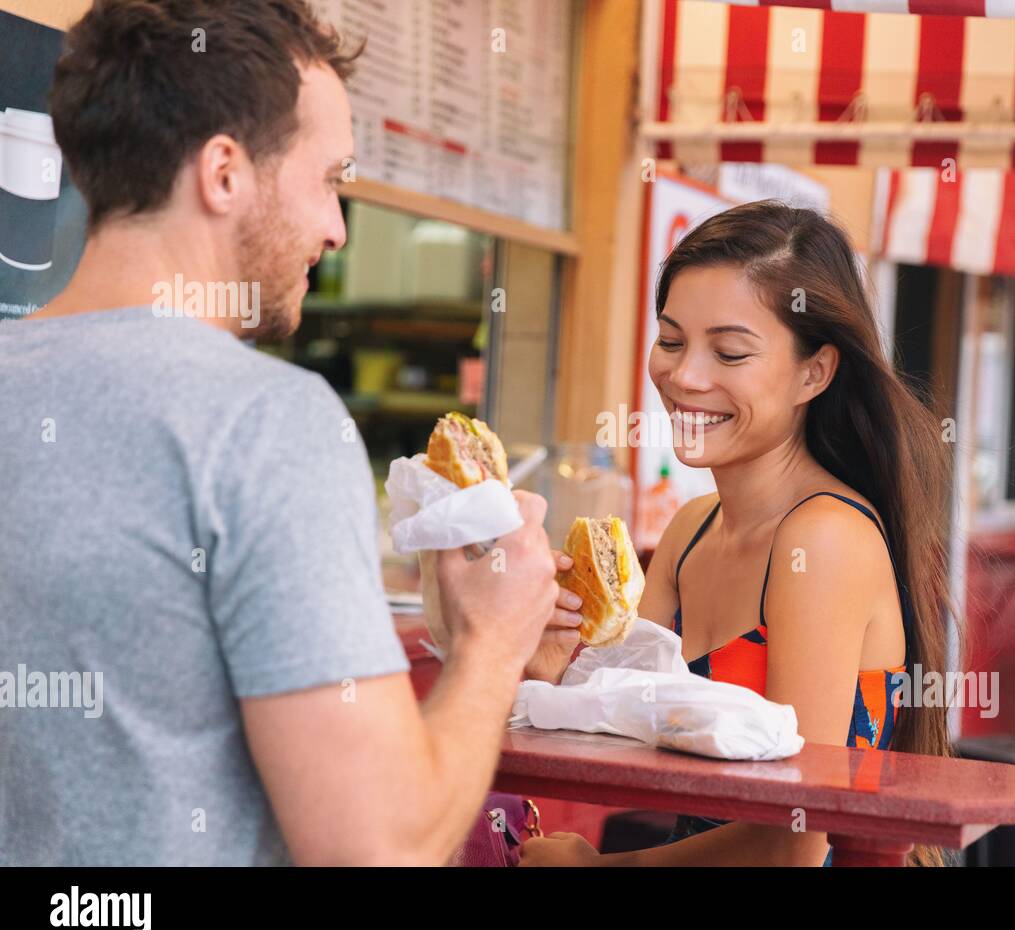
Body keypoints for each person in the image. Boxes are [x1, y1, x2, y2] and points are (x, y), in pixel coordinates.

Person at [0, 0, 583, 866]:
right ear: (224, 174)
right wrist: (495, 643)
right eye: (329, 179)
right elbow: (378, 848)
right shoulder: (268, 423)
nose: (337, 227)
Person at [521, 201, 959, 867]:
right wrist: (550, 670)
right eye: (671, 341)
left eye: (728, 351)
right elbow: (624, 731)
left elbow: (796, 842)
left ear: (814, 372)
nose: (685, 377)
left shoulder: (826, 539)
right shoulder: (691, 530)